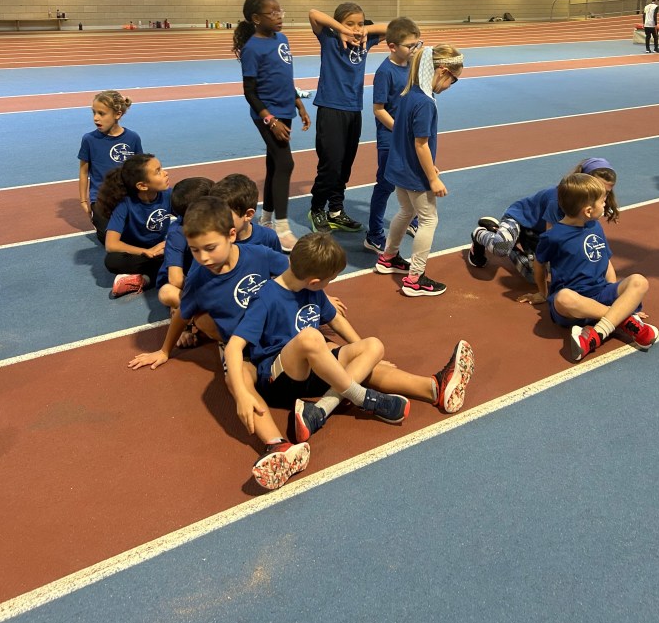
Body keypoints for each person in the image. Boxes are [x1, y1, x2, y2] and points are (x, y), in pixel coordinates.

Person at [128, 197, 308, 492]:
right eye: (195, 250)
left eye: (210, 248)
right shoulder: (199, 279)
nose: (203, 257)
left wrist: (320, 298)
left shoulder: (260, 255)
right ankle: (279, 446)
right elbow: (182, 313)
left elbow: (294, 276)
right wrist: (164, 350)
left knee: (330, 356)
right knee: (236, 382)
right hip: (240, 349)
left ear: (231, 235)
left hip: (277, 337)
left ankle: (351, 395)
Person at [224, 233, 475, 443]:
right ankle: (362, 398)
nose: (328, 286)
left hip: (315, 370)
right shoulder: (266, 297)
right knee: (311, 337)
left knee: (373, 346)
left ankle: (321, 411)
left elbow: (336, 320)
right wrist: (242, 392)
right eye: (328, 281)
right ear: (314, 281)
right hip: (281, 377)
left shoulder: (312, 290)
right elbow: (234, 346)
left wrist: (366, 357)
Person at [532, 173, 658, 363]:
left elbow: (605, 262)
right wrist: (543, 293)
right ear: (588, 211)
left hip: (600, 293)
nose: (606, 205)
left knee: (639, 281)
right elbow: (539, 264)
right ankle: (621, 318)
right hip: (574, 307)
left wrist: (616, 293)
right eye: (602, 202)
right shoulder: (553, 236)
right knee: (563, 297)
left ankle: (595, 335)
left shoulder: (595, 227)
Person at [374, 44, 463, 297]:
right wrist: (432, 178)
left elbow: (406, 135)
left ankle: (388, 258)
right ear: (442, 71)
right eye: (453, 80)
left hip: (399, 167)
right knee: (428, 219)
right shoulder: (425, 102)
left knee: (406, 210)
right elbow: (421, 144)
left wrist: (429, 164)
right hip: (414, 174)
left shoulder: (408, 94)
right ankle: (415, 278)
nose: (451, 86)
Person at [233, 0, 311, 252]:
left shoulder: (282, 39)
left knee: (274, 163)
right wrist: (270, 119)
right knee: (286, 162)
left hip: (285, 108)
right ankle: (282, 228)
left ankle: (265, 218)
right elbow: (249, 91)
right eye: (273, 13)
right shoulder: (252, 49)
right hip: (267, 115)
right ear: (256, 18)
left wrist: (298, 102)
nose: (279, 16)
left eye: (280, 11)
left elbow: (285, 76)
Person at [469, 157, 619, 283]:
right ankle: (480, 234)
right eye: (599, 189)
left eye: (606, 193)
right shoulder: (556, 200)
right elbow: (552, 239)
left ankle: (504, 236)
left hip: (535, 232)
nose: (603, 197)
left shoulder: (593, 206)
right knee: (501, 248)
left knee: (533, 276)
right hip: (519, 220)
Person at [307, 3, 388, 233]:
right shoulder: (329, 38)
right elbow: (313, 14)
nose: (355, 28)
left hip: (354, 110)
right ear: (338, 24)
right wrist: (340, 29)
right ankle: (316, 208)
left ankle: (336, 210)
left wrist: (365, 30)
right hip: (330, 109)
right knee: (330, 164)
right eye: (349, 23)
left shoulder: (365, 41)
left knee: (344, 165)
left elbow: (396, 28)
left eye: (359, 23)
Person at [364, 17, 422, 253]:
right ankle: (374, 234)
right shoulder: (384, 72)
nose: (415, 50)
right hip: (391, 140)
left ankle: (411, 219)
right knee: (386, 185)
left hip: (410, 137)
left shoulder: (413, 65)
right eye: (410, 46)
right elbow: (379, 110)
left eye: (418, 44)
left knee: (412, 180)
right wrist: (400, 131)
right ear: (392, 46)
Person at [95, 153, 171, 298]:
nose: (165, 173)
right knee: (112, 261)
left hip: (160, 250)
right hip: (136, 253)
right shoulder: (125, 204)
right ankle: (154, 276)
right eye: (158, 171)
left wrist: (170, 243)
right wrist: (146, 251)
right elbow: (111, 245)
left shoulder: (168, 195)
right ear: (142, 186)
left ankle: (144, 279)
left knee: (187, 251)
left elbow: (187, 221)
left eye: (161, 168)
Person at [78, 91, 144, 243]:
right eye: (94, 112)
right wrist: (83, 201)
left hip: (127, 196)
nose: (96, 118)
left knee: (136, 235)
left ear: (117, 114)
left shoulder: (133, 138)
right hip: (101, 199)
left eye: (101, 113)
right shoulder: (89, 139)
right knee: (109, 239)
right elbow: (84, 172)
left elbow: (139, 169)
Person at [155, 176, 214, 314]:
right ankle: (190, 312)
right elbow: (175, 280)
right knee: (168, 293)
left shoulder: (216, 222)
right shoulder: (177, 233)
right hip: (185, 282)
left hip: (207, 274)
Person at [210, 173, 282, 251]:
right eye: (214, 214)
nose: (217, 222)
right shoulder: (211, 240)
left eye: (225, 216)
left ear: (248, 214)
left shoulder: (268, 238)